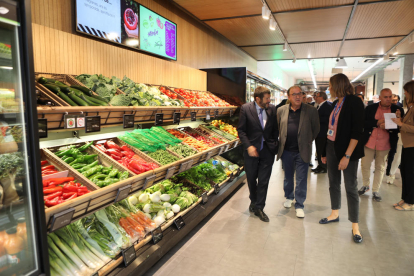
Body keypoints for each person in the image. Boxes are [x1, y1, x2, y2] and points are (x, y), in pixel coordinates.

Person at [319, 73, 365, 243]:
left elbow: (357, 131)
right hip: (331, 147)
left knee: (351, 187)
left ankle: (355, 225)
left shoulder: (354, 102)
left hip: (348, 151)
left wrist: (347, 156)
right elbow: (329, 130)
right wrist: (324, 152)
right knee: (333, 182)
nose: (328, 88)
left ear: (338, 85)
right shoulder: (335, 103)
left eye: (330, 85)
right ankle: (334, 213)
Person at [277, 86, 320, 218]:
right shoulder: (281, 110)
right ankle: (289, 197)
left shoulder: (311, 111)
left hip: (303, 150)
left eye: (299, 94)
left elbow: (316, 129)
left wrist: (306, 141)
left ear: (302, 95)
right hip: (286, 150)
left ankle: (300, 204)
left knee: (301, 179)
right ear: (288, 97)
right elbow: (278, 127)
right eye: (294, 94)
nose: (297, 96)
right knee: (288, 176)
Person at [237, 86, 279, 221]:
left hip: (267, 150)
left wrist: (274, 143)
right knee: (251, 178)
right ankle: (253, 201)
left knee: (264, 180)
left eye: (269, 98)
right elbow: (241, 131)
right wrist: (248, 146)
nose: (269, 101)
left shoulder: (272, 109)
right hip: (251, 151)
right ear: (257, 99)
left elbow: (275, 129)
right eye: (267, 98)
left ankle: (260, 207)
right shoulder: (245, 108)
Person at [358, 88, 404, 202]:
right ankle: (365, 185)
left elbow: (400, 127)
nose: (388, 99)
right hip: (369, 141)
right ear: (380, 97)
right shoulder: (370, 108)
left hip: (385, 143)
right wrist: (377, 123)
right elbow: (362, 122)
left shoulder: (397, 109)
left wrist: (391, 125)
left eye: (390, 97)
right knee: (365, 164)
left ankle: (375, 190)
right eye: (386, 97)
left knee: (380, 167)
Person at [391, 80, 414, 211]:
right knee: (405, 172)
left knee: (410, 174)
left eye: (406, 91)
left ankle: (410, 201)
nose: (404, 93)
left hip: (412, 146)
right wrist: (400, 118)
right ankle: (405, 198)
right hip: (407, 145)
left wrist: (401, 124)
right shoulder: (410, 107)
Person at [312, 92, 332, 174]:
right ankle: (320, 165)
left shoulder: (327, 106)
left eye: (316, 96)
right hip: (319, 132)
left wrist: (315, 120)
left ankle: (323, 167)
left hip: (323, 132)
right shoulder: (320, 106)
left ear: (321, 97)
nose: (315, 98)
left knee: (322, 150)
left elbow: (327, 119)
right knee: (319, 150)